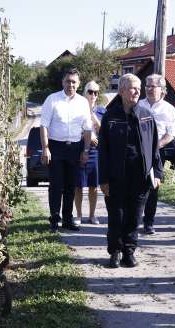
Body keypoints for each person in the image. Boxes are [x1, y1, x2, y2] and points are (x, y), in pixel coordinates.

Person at [99, 74, 163, 268]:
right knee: (116, 216)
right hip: (116, 176)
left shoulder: (146, 115)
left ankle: (129, 251)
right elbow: (103, 150)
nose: (136, 92)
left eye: (138, 88)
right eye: (132, 88)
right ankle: (115, 252)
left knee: (135, 216)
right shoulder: (110, 117)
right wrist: (104, 179)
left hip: (140, 176)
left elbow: (154, 148)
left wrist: (158, 173)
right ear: (121, 91)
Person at [39, 68, 93, 232]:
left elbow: (88, 128)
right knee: (56, 185)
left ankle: (68, 219)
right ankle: (54, 219)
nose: (71, 84)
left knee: (71, 185)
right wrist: (45, 149)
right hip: (56, 147)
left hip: (75, 148)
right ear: (63, 82)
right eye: (68, 81)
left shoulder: (83, 102)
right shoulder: (52, 100)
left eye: (74, 82)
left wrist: (85, 150)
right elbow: (44, 125)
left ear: (78, 84)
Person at [138, 74, 175, 235]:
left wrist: (156, 146)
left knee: (153, 187)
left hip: (157, 153)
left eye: (152, 86)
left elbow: (172, 133)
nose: (148, 89)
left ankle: (149, 222)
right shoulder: (138, 105)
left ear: (162, 89)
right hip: (138, 152)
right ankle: (134, 220)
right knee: (136, 187)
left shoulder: (169, 109)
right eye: (147, 85)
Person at [74, 81, 105, 226]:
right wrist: (88, 136)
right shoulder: (77, 109)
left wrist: (93, 116)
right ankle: (78, 215)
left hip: (96, 152)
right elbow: (72, 129)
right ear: (84, 92)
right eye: (90, 91)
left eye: (96, 92)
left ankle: (92, 215)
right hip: (80, 149)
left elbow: (104, 131)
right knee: (78, 185)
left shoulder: (101, 111)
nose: (93, 95)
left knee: (94, 186)